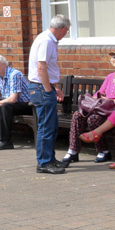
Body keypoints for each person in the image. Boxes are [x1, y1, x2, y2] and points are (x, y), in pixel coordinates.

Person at [60, 50, 115, 166]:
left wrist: (113, 101)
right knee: (77, 115)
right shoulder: (110, 76)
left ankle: (103, 151)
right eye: (113, 57)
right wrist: (93, 100)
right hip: (102, 107)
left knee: (94, 119)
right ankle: (73, 151)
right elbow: (99, 92)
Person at [27, 14, 70, 175]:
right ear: (63, 29)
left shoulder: (47, 39)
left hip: (44, 86)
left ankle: (49, 158)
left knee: (50, 125)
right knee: (46, 126)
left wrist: (54, 87)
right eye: (67, 31)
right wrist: (47, 89)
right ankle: (44, 162)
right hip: (41, 88)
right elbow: (41, 68)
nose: (66, 34)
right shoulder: (46, 41)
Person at [0, 54, 32, 152]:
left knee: (5, 106)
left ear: (4, 64)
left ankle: (5, 141)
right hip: (12, 104)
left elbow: (13, 99)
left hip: (28, 104)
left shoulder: (14, 74)